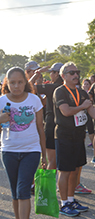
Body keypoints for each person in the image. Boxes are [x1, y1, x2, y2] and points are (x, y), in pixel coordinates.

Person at [53, 62, 95, 217]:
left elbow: (90, 108)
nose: (76, 75)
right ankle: (64, 203)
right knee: (65, 171)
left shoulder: (81, 92)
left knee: (75, 170)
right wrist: (82, 105)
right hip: (64, 136)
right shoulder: (60, 91)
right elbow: (66, 111)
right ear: (63, 76)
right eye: (71, 73)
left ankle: (71, 200)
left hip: (78, 136)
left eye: (77, 72)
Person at [0, 66, 47, 219]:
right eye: (12, 82)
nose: (16, 86)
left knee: (23, 189)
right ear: (6, 84)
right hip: (8, 151)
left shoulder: (34, 99)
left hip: (31, 150)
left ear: (25, 82)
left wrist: (44, 155)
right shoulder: (2, 101)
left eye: (20, 82)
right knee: (15, 192)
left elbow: (41, 128)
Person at [29, 63, 63, 170]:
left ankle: (48, 186)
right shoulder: (66, 87)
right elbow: (44, 102)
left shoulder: (51, 87)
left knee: (52, 161)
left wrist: (37, 73)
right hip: (64, 126)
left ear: (57, 74)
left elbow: (28, 87)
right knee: (60, 161)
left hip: (51, 125)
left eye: (51, 72)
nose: (50, 75)